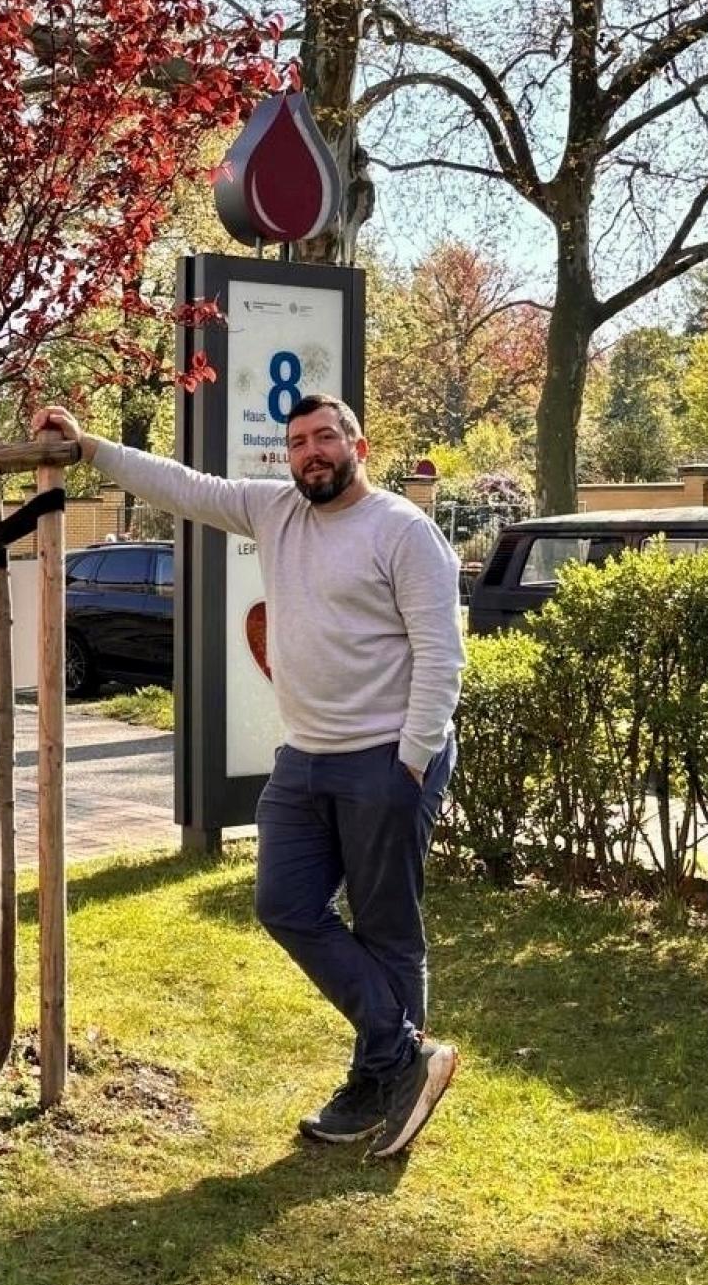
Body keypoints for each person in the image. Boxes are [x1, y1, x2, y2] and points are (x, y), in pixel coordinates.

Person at [33, 395, 465, 1158]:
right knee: (283, 903)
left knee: (386, 924)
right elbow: (185, 488)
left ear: (359, 445)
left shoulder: (401, 529)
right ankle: (403, 1057)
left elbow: (439, 653)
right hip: (305, 756)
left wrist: (411, 756)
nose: (310, 453)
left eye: (325, 437)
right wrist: (89, 446)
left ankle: (378, 1083)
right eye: (297, 442)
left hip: (385, 755)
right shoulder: (275, 511)